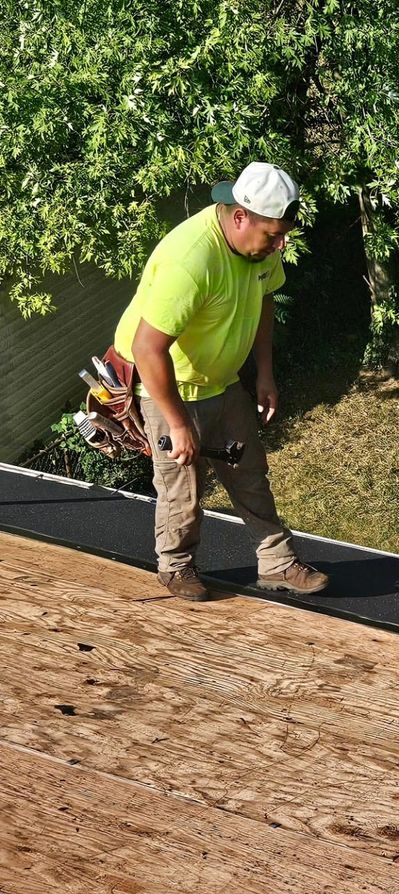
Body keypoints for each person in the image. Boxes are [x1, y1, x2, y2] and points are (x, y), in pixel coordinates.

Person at [113, 161, 328, 602]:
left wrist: (264, 373)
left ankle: (278, 562)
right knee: (181, 487)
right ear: (239, 216)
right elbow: (147, 348)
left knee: (249, 473)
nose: (280, 244)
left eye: (285, 234)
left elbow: (265, 300)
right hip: (166, 384)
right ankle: (175, 567)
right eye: (273, 235)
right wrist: (176, 424)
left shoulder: (260, 248)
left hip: (222, 380)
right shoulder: (191, 260)